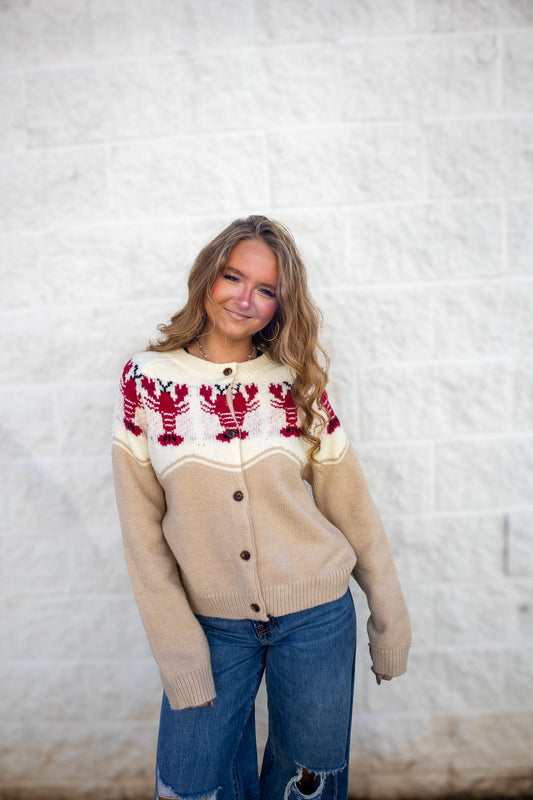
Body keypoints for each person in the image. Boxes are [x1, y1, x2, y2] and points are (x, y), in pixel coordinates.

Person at [112, 215, 411, 800]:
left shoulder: (294, 379)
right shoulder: (146, 379)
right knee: (190, 784)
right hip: (211, 626)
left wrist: (389, 619)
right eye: (233, 277)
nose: (244, 299)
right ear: (207, 277)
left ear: (280, 304)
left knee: (308, 786)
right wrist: (179, 652)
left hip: (316, 617)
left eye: (266, 289)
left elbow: (351, 505)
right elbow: (141, 533)